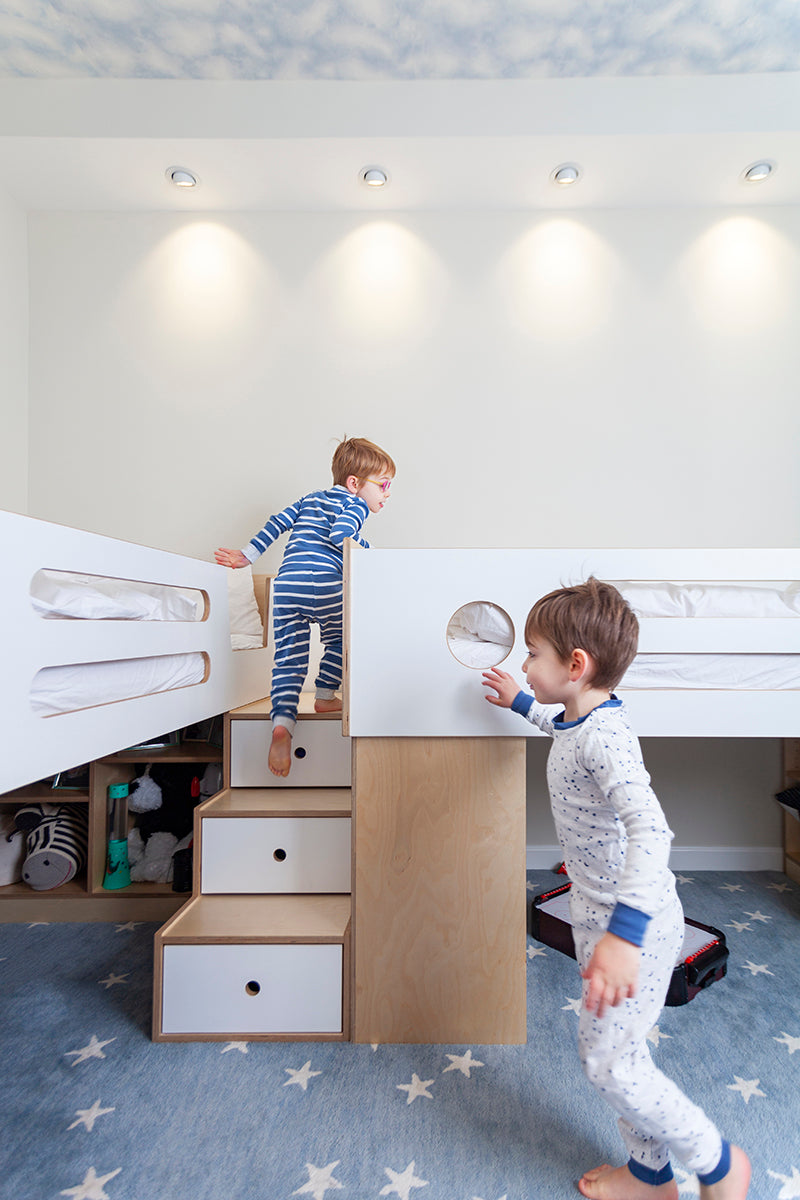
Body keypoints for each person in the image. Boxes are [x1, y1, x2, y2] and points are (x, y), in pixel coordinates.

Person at [482, 578, 750, 1200]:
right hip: (596, 917)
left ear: (576, 665)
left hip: (633, 925)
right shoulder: (585, 717)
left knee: (610, 1063)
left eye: (532, 653)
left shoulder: (606, 738)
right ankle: (651, 1177)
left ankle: (716, 1161)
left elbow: (652, 832)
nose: (524, 661)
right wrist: (523, 702)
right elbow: (563, 732)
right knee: (616, 1055)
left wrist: (624, 939)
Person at [215, 437, 395, 777]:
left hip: (287, 588)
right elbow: (341, 535)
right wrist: (370, 552)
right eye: (384, 485)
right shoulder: (354, 505)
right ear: (355, 484)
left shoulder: (308, 500)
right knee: (342, 638)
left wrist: (247, 556)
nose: (387, 494)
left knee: (289, 659)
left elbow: (277, 523)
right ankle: (326, 694)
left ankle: (282, 724)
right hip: (327, 587)